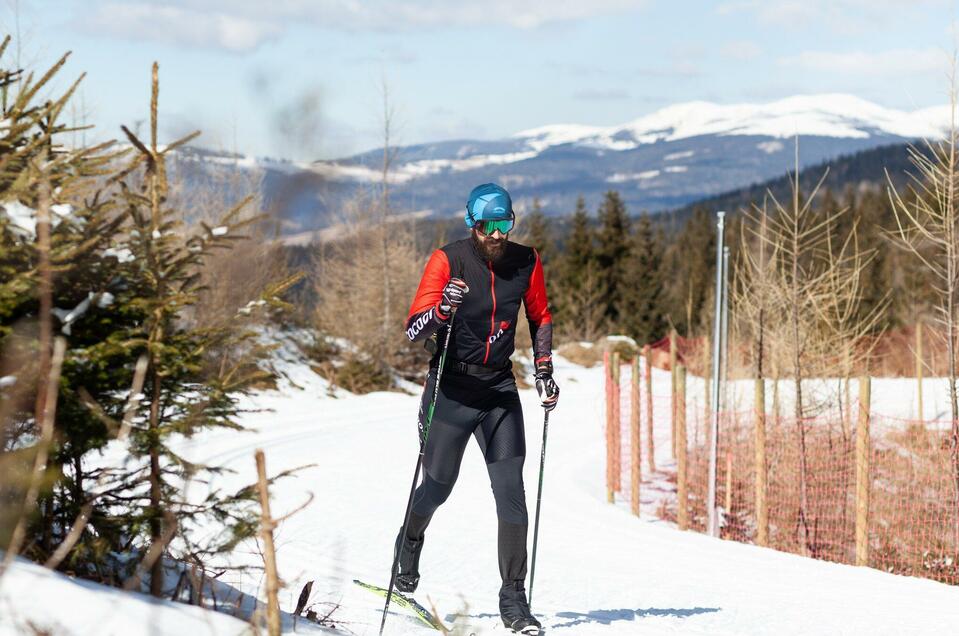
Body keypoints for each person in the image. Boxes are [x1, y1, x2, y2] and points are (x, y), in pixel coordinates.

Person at [397, 182, 559, 634]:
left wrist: (544, 367)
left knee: (512, 493)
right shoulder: (447, 260)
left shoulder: (526, 260)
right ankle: (409, 544)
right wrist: (443, 309)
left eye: (504, 223)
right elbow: (413, 330)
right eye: (488, 225)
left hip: (499, 390)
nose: (496, 233)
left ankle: (514, 598)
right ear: (472, 223)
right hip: (451, 389)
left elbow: (540, 315)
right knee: (437, 487)